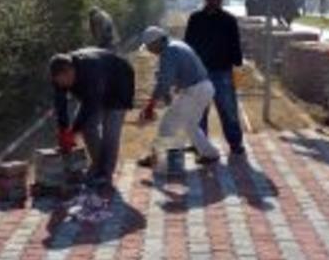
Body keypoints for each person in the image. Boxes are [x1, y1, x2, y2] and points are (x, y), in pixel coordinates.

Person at [50, 48, 135, 190]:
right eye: (59, 83)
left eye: (65, 81)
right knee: (88, 127)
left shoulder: (91, 70)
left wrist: (74, 131)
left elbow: (90, 104)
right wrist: (64, 129)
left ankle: (105, 174)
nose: (63, 86)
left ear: (70, 71)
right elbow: (60, 103)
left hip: (119, 84)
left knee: (110, 132)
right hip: (95, 90)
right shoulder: (58, 75)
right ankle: (97, 164)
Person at [137, 26, 220, 166]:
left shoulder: (168, 52)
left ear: (157, 42)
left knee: (167, 125)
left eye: (149, 47)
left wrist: (151, 105)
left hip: (195, 90)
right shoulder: (177, 45)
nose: (150, 51)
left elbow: (164, 82)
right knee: (190, 124)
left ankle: (162, 160)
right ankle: (210, 154)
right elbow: (176, 76)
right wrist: (168, 95)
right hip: (204, 88)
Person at [185, 0, 245, 155]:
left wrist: (237, 62)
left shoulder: (229, 20)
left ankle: (235, 143)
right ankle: (202, 145)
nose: (215, 2)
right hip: (200, 73)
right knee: (200, 112)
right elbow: (189, 45)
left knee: (228, 110)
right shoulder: (195, 19)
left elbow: (235, 46)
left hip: (222, 72)